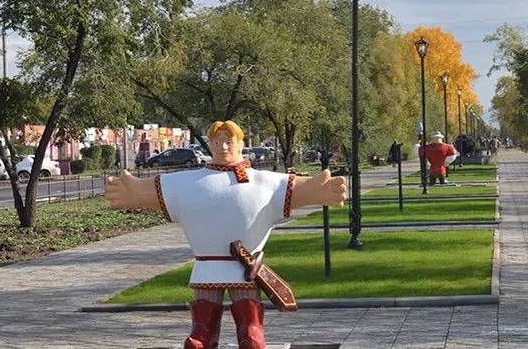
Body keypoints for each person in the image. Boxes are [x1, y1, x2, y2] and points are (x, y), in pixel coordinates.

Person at [106, 120, 347, 349]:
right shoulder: (188, 182)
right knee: (204, 307)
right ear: (209, 145)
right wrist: (133, 191)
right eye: (217, 142)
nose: (223, 147)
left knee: (247, 309)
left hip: (246, 266)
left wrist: (319, 190)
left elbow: (298, 188)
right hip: (207, 266)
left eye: (229, 142)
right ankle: (203, 332)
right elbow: (153, 189)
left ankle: (251, 330)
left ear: (241, 144)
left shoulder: (264, 181)